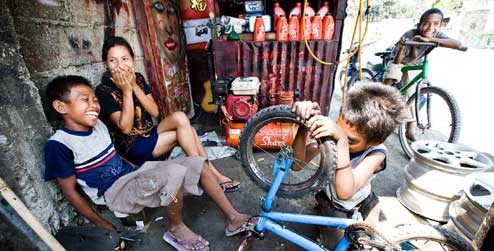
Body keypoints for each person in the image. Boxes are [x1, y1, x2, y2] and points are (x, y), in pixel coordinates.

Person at [44, 76, 256, 251]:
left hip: (132, 176)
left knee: (197, 163)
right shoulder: (60, 145)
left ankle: (233, 219)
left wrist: (144, 171)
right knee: (173, 173)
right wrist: (103, 224)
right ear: (60, 106)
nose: (94, 105)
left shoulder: (98, 125)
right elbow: (69, 192)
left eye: (94, 99)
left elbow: (114, 157)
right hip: (114, 193)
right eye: (85, 99)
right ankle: (176, 228)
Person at [95, 36, 240, 193]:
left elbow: (154, 111)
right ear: (106, 64)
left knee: (180, 118)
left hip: (149, 134)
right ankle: (208, 175)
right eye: (113, 61)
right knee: (186, 132)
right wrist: (127, 91)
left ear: (133, 60)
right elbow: (125, 128)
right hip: (133, 147)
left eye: (125, 59)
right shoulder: (103, 91)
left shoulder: (138, 78)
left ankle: (205, 172)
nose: (120, 66)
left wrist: (134, 86)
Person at [291, 82, 407, 248]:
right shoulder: (334, 134)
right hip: (331, 201)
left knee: (365, 244)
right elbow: (297, 165)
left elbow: (345, 192)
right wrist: (304, 125)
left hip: (360, 205)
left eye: (350, 139)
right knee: (334, 241)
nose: (339, 137)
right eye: (339, 129)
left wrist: (342, 142)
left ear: (375, 141)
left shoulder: (377, 154)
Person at [383, 8, 466, 139]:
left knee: (416, 92)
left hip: (415, 63)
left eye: (435, 24)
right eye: (426, 23)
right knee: (392, 74)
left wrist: (430, 40)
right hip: (399, 59)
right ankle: (380, 97)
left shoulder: (436, 35)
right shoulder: (410, 34)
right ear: (419, 25)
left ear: (441, 25)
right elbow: (398, 61)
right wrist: (402, 47)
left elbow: (461, 46)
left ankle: (410, 127)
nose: (430, 27)